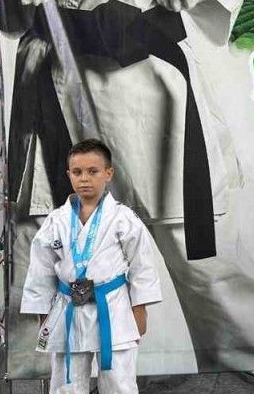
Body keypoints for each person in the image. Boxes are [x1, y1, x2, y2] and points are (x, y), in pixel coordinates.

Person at [0, 0, 254, 372]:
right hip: (53, 77)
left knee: (206, 261)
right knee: (43, 256)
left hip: (147, 73)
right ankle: (39, 380)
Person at [21, 139, 162, 394]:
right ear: (69, 175)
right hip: (68, 307)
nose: (84, 178)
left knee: (119, 382)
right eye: (77, 172)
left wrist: (139, 308)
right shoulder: (56, 220)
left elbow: (142, 266)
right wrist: (43, 314)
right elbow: (40, 271)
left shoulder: (123, 218)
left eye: (92, 171)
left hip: (113, 306)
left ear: (108, 173)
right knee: (66, 384)